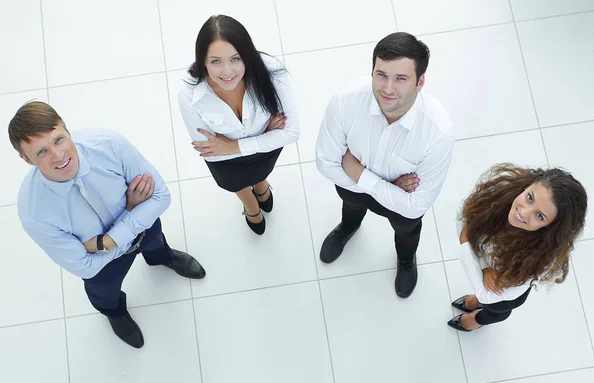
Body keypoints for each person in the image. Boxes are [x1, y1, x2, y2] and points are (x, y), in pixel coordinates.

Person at [9, 101, 206, 349]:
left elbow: (161, 196)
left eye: (59, 140)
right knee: (105, 292)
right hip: (105, 264)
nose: (58, 156)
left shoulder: (108, 144)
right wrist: (132, 211)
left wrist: (105, 241)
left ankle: (160, 257)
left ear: (67, 130)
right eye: (41, 151)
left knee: (156, 241)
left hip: (122, 238)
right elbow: (86, 267)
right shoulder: (33, 212)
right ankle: (114, 312)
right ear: (27, 160)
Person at [315, 32, 454, 298]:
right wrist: (389, 186)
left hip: (388, 200)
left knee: (406, 231)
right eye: (381, 75)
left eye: (401, 78)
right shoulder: (346, 100)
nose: (388, 88)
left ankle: (405, 260)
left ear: (420, 81)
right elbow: (325, 163)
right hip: (353, 187)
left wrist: (362, 175)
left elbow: (416, 206)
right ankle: (348, 227)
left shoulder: (438, 132)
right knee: (352, 206)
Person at [178, 15, 300, 235]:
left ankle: (261, 187)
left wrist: (231, 145)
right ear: (203, 61)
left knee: (262, 170)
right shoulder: (189, 93)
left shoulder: (271, 71)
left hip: (261, 151)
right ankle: (251, 205)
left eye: (235, 59)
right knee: (236, 183)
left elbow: (292, 132)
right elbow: (212, 153)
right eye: (216, 61)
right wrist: (266, 134)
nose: (227, 71)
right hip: (230, 162)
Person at [448, 163, 587, 331]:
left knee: (495, 311)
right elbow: (462, 220)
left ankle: (474, 321)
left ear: (550, 227)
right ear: (528, 185)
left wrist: (467, 242)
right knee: (480, 296)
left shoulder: (541, 258)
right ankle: (474, 301)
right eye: (529, 197)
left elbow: (488, 294)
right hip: (489, 275)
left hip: (503, 297)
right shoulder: (501, 192)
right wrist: (484, 269)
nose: (523, 212)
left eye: (539, 216)